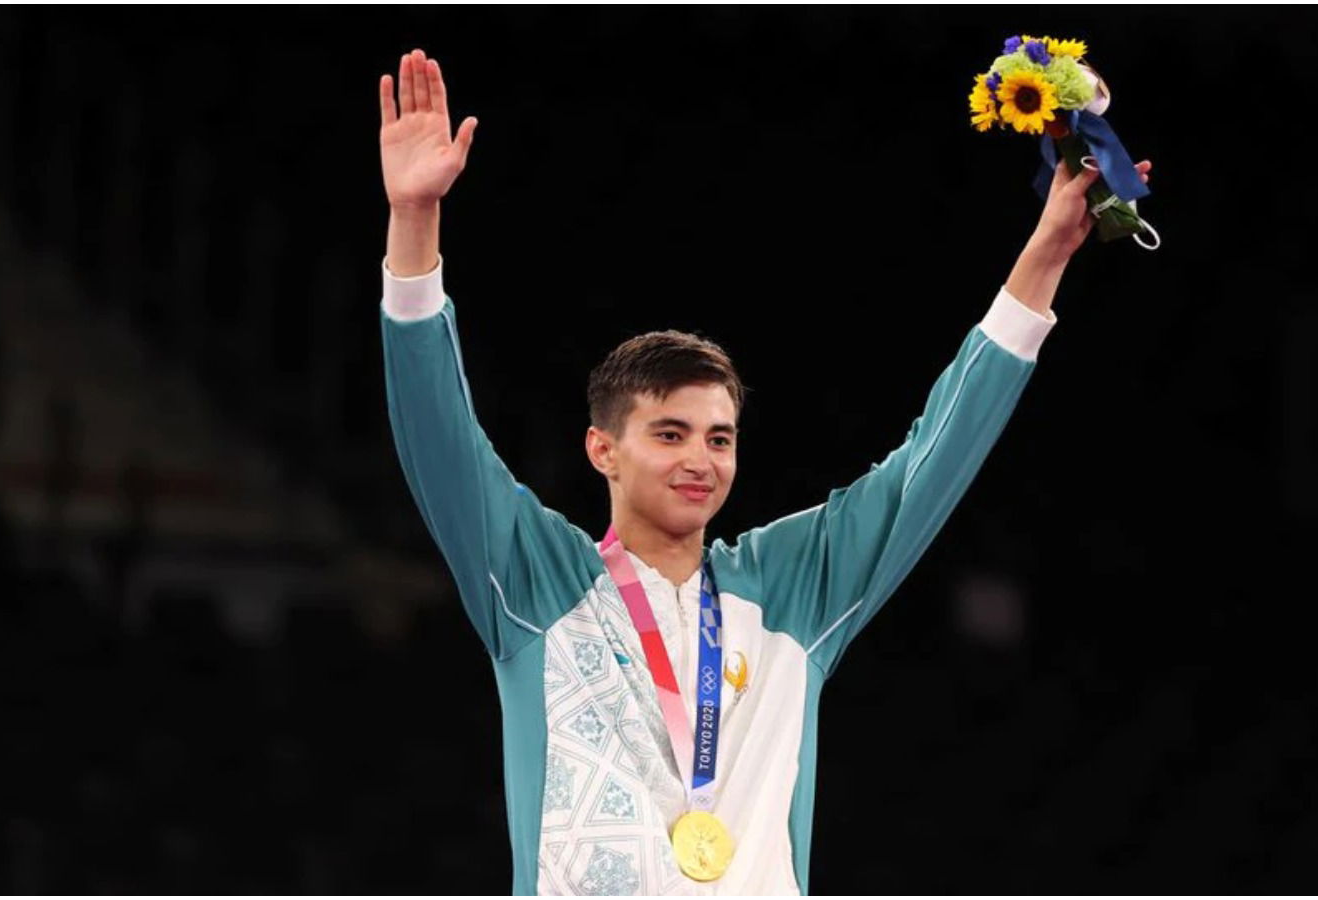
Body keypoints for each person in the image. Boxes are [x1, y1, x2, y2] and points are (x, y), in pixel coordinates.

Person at [376, 47, 1151, 896]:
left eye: (719, 438)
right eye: (669, 435)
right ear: (604, 450)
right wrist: (415, 222)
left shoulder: (792, 592)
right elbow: (438, 435)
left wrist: (1043, 259)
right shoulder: (535, 581)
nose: (700, 461)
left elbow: (933, 460)